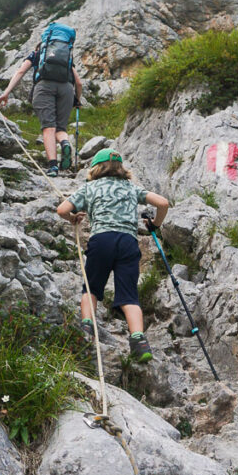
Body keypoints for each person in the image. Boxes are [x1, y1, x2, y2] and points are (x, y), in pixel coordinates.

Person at [57, 149, 169, 362]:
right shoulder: (131, 188)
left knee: (91, 287)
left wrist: (72, 219)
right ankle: (139, 340)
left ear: (96, 168)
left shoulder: (89, 188)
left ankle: (87, 329)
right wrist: (155, 224)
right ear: (121, 169)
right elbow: (163, 203)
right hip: (128, 242)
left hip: (101, 240)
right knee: (128, 295)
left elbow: (62, 209)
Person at [0, 39, 82, 176]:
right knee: (60, 128)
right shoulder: (66, 58)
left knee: (49, 127)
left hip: (44, 87)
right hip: (66, 89)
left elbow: (20, 72)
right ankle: (65, 143)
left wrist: (6, 93)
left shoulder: (36, 54)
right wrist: (77, 99)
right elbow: (78, 82)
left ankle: (53, 166)